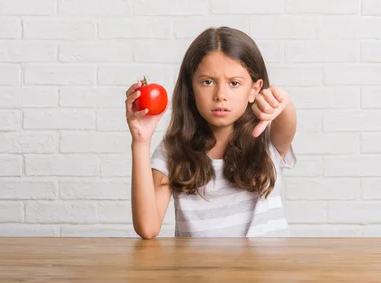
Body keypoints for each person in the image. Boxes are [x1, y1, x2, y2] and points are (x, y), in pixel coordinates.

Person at [125, 26, 297, 239]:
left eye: (234, 83)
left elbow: (287, 122)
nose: (220, 95)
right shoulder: (172, 151)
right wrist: (141, 141)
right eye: (208, 82)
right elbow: (148, 228)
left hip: (267, 270)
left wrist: (283, 101)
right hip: (200, 271)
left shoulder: (266, 140)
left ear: (254, 89)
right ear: (191, 87)